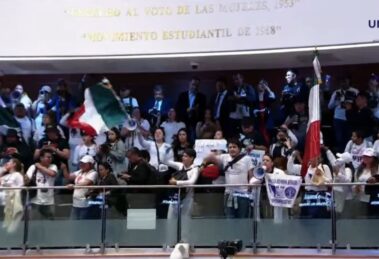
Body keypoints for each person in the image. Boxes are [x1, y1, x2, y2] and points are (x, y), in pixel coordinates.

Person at [206, 139, 254, 218]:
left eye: (234, 147)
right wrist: (215, 151)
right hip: (228, 194)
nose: (232, 149)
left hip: (243, 194)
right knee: (229, 219)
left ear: (239, 149)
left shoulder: (247, 159)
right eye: (230, 147)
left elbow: (251, 176)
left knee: (243, 219)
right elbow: (210, 157)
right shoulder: (224, 157)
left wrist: (250, 190)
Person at [287, 150, 332, 218]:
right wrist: (293, 155)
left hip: (321, 195)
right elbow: (290, 168)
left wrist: (321, 176)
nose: (311, 158)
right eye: (310, 156)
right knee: (307, 219)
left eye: (314, 156)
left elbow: (330, 183)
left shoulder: (324, 167)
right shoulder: (304, 168)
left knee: (321, 218)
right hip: (308, 195)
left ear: (319, 158)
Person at [167, 148, 199, 242]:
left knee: (185, 221)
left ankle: (185, 243)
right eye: (183, 155)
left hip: (187, 198)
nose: (183, 158)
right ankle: (170, 242)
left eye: (185, 156)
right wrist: (167, 152)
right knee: (171, 221)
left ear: (191, 158)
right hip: (175, 197)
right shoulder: (180, 166)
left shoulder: (195, 169)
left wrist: (176, 182)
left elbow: (191, 182)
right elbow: (166, 162)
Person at [328, 76, 359, 152]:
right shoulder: (336, 92)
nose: (343, 83)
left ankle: (349, 154)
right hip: (338, 118)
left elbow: (358, 105)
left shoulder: (355, 91)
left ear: (349, 81)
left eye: (345, 81)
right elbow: (329, 106)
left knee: (350, 138)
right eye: (342, 82)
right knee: (339, 138)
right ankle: (341, 154)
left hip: (350, 118)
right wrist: (336, 100)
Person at [61, 155, 98, 220]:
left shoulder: (93, 173)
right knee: (73, 223)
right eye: (81, 163)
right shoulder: (80, 171)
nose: (82, 164)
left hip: (85, 204)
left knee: (82, 224)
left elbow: (85, 183)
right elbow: (68, 177)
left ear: (90, 164)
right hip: (75, 203)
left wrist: (73, 186)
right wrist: (64, 168)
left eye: (84, 163)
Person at [25, 149, 57, 220]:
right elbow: (26, 180)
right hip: (35, 200)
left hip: (49, 201)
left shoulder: (53, 166)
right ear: (41, 158)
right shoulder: (33, 167)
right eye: (48, 157)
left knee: (50, 223)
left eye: (51, 157)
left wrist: (39, 166)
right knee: (33, 223)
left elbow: (52, 174)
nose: (50, 159)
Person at [352, 148, 379, 218]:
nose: (365, 158)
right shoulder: (359, 169)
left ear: (374, 158)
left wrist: (375, 180)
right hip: (361, 197)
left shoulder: (377, 168)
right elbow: (355, 182)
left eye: (368, 157)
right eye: (364, 156)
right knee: (363, 216)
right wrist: (356, 187)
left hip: (374, 197)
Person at [0, 157, 24, 232]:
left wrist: (9, 186)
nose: (7, 163)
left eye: (9, 162)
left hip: (11, 202)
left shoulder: (17, 175)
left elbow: (20, 187)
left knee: (10, 229)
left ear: (14, 164)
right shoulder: (5, 176)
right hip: (2, 203)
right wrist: (3, 170)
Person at [253, 79, 276, 146]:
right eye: (260, 84)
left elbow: (273, 98)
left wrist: (267, 88)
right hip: (258, 116)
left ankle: (268, 146)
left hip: (267, 116)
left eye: (264, 84)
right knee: (259, 131)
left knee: (267, 131)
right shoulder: (255, 94)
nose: (262, 86)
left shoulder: (267, 94)